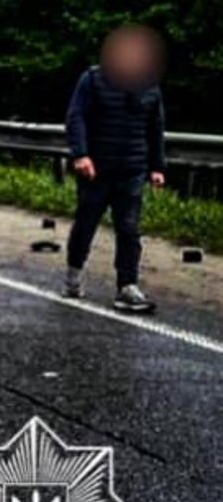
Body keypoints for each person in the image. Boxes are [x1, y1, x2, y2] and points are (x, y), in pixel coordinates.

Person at [63, 24, 168, 313]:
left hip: (132, 169)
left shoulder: (149, 86)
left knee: (129, 228)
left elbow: (155, 127)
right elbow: (76, 117)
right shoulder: (93, 80)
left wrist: (157, 166)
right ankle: (73, 274)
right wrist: (81, 154)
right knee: (86, 223)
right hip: (96, 168)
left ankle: (127, 285)